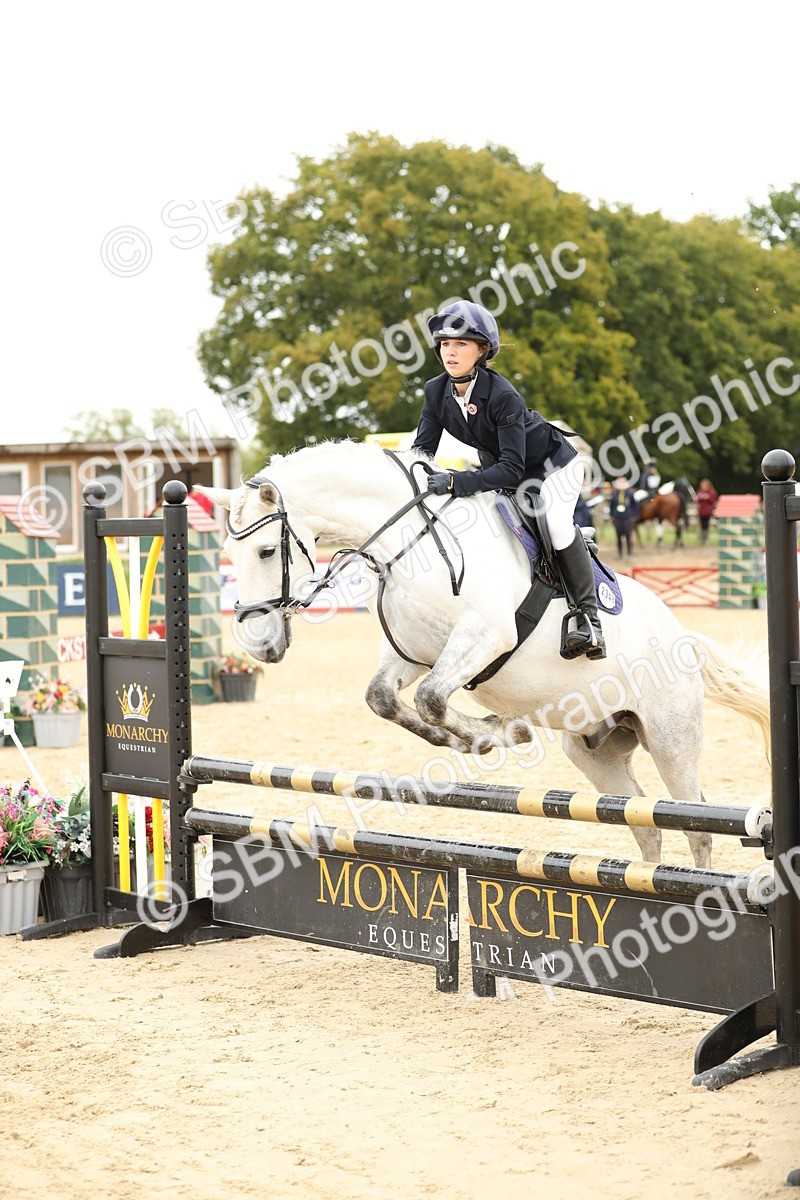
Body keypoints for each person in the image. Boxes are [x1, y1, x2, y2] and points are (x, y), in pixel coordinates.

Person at [411, 300, 605, 660]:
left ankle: (587, 618)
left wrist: (454, 482)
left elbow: (513, 469)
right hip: (504, 470)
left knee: (557, 525)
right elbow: (421, 453)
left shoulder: (502, 396)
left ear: (481, 350)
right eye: (445, 345)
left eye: (461, 344)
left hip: (552, 468)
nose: (450, 352)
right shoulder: (435, 392)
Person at [609, 477, 638, 559]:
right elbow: (611, 506)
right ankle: (620, 554)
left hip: (627, 517)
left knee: (628, 536)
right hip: (617, 517)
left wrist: (634, 516)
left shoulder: (630, 494)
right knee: (618, 537)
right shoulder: (614, 494)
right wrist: (612, 516)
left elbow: (635, 505)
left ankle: (629, 554)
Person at [695, 478, 719, 545]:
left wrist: (706, 497)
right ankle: (702, 539)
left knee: (706, 526)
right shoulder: (699, 492)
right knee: (701, 526)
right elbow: (696, 499)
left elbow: (712, 500)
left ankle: (705, 539)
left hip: (708, 512)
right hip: (701, 512)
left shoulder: (712, 492)